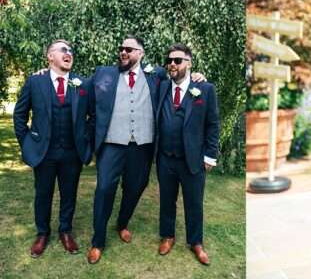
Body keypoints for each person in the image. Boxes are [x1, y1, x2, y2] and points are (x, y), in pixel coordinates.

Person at [85, 35, 205, 264]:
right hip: (112, 144)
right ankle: (97, 241)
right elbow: (79, 89)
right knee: (104, 189)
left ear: (140, 53)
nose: (123, 52)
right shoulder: (104, 73)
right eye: (121, 48)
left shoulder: (156, 75)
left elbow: (180, 78)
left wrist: (197, 76)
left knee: (136, 186)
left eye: (129, 49)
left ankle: (122, 223)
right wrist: (53, 74)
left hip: (142, 146)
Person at [13, 40, 94, 258]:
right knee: (43, 194)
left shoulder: (82, 84)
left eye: (70, 51)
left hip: (72, 152)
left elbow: (94, 116)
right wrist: (27, 142)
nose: (69, 53)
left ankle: (65, 231)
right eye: (63, 50)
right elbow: (20, 115)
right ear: (50, 56)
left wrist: (85, 138)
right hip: (44, 152)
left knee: (69, 194)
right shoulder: (35, 81)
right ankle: (42, 233)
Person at [155, 43, 220, 266]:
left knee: (194, 203)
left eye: (178, 60)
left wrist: (210, 156)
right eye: (170, 60)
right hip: (165, 158)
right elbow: (136, 70)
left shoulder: (205, 89)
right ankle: (168, 236)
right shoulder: (162, 86)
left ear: (189, 63)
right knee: (166, 200)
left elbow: (212, 124)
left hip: (192, 159)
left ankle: (196, 242)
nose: (172, 64)